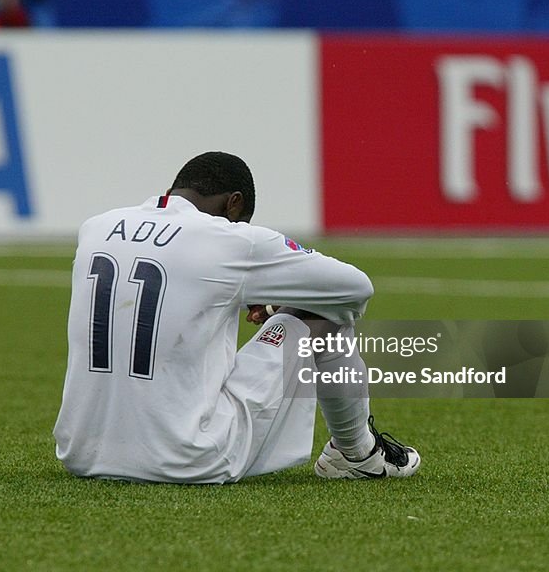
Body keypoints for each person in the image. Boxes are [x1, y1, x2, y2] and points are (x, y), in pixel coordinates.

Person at [53, 152, 420, 483]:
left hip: (83, 454)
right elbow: (356, 288)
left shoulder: (97, 227)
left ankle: (355, 453)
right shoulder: (232, 240)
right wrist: (282, 303)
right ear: (234, 204)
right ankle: (357, 453)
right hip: (187, 457)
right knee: (322, 313)